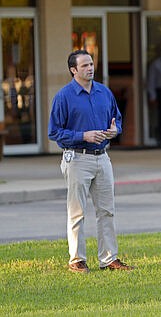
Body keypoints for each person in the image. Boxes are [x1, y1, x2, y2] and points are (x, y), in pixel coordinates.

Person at [48, 49, 134, 273]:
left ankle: (109, 259)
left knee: (107, 210)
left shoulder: (104, 93)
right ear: (73, 70)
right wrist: (82, 136)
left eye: (91, 64)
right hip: (77, 158)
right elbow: (54, 132)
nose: (90, 68)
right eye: (85, 65)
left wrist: (115, 130)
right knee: (77, 211)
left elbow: (117, 120)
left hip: (102, 157)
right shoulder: (63, 97)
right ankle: (77, 260)